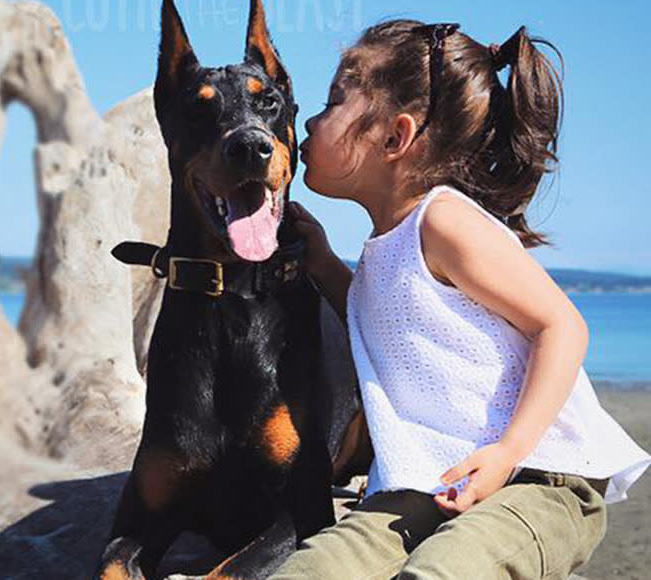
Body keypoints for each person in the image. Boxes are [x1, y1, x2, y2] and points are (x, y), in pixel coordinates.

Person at [269, 19, 651, 580]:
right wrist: (323, 262)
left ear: (395, 138)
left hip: (538, 481)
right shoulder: (383, 250)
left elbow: (562, 326)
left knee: (438, 573)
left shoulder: (444, 219)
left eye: (333, 102)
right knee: (311, 571)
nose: (310, 119)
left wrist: (508, 452)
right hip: (429, 483)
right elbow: (388, 319)